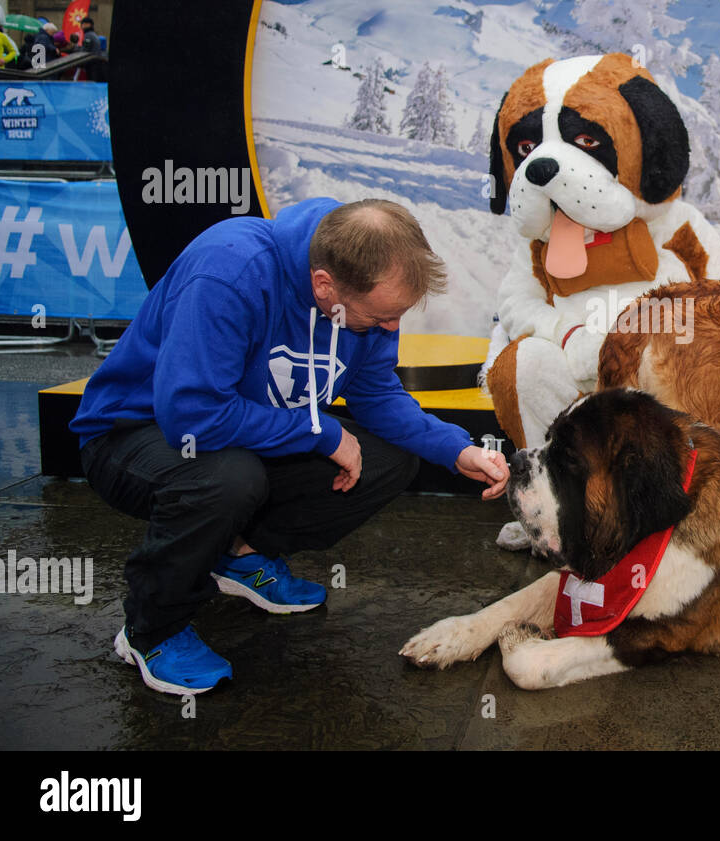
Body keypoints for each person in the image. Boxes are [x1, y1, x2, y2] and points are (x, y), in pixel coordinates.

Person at [71, 197, 510, 695]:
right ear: (325, 285)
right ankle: (152, 628)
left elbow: (375, 392)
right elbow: (192, 417)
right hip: (133, 432)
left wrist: (457, 451)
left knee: (390, 460)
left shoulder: (364, 286)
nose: (391, 327)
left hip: (243, 434)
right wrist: (320, 432)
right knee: (229, 479)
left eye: (398, 316)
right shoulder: (229, 272)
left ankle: (237, 554)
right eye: (381, 317)